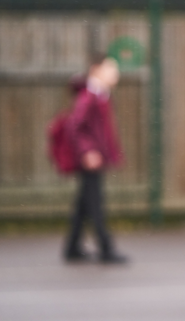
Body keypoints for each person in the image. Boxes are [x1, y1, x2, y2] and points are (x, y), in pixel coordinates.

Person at [63, 54, 128, 264]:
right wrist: (88, 151)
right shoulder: (89, 95)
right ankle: (106, 248)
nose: (115, 73)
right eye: (111, 68)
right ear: (96, 70)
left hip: (95, 158)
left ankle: (72, 247)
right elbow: (76, 126)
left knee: (84, 203)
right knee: (95, 204)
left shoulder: (101, 95)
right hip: (90, 160)